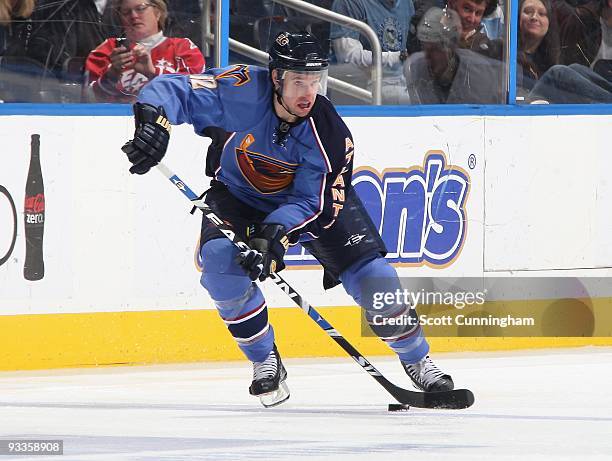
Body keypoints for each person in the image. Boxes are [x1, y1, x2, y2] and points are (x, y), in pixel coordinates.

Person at [120, 31, 455, 407]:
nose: (309, 92)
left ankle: (417, 360)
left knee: (375, 277)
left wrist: (273, 237)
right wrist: (152, 124)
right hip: (237, 195)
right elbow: (174, 89)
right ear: (276, 77)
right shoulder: (241, 89)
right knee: (219, 264)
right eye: (299, 80)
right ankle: (265, 361)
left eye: (316, 80)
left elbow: (311, 202)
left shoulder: (329, 133)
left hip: (307, 206)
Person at [85, 0, 205, 102]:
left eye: (140, 8)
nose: (133, 16)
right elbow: (86, 100)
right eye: (126, 12)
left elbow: (196, 95)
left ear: (158, 12)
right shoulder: (108, 49)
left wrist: (153, 72)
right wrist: (111, 74)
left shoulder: (183, 48)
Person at [404, 7, 505, 103]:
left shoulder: (479, 76)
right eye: (425, 49)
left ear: (449, 49)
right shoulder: (416, 68)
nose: (427, 56)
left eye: (433, 50)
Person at [330, 0, 415, 104]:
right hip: (366, 83)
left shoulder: (406, 3)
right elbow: (347, 57)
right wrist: (396, 57)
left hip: (404, 79)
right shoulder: (349, 3)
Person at [517, 0, 561, 95]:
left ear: (549, 22)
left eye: (541, 14)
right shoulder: (504, 53)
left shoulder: (551, 61)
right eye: (528, 11)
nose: (534, 17)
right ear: (518, 17)